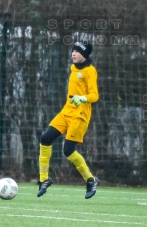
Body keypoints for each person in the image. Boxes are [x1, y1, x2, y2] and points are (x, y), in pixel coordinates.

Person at [37, 41, 100, 199]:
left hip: (80, 115)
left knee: (68, 151)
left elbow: (95, 95)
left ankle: (91, 180)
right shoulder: (73, 68)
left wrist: (83, 98)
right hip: (67, 111)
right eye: (73, 50)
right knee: (45, 139)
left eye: (77, 51)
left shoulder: (90, 71)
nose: (73, 53)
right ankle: (44, 179)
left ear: (84, 55)